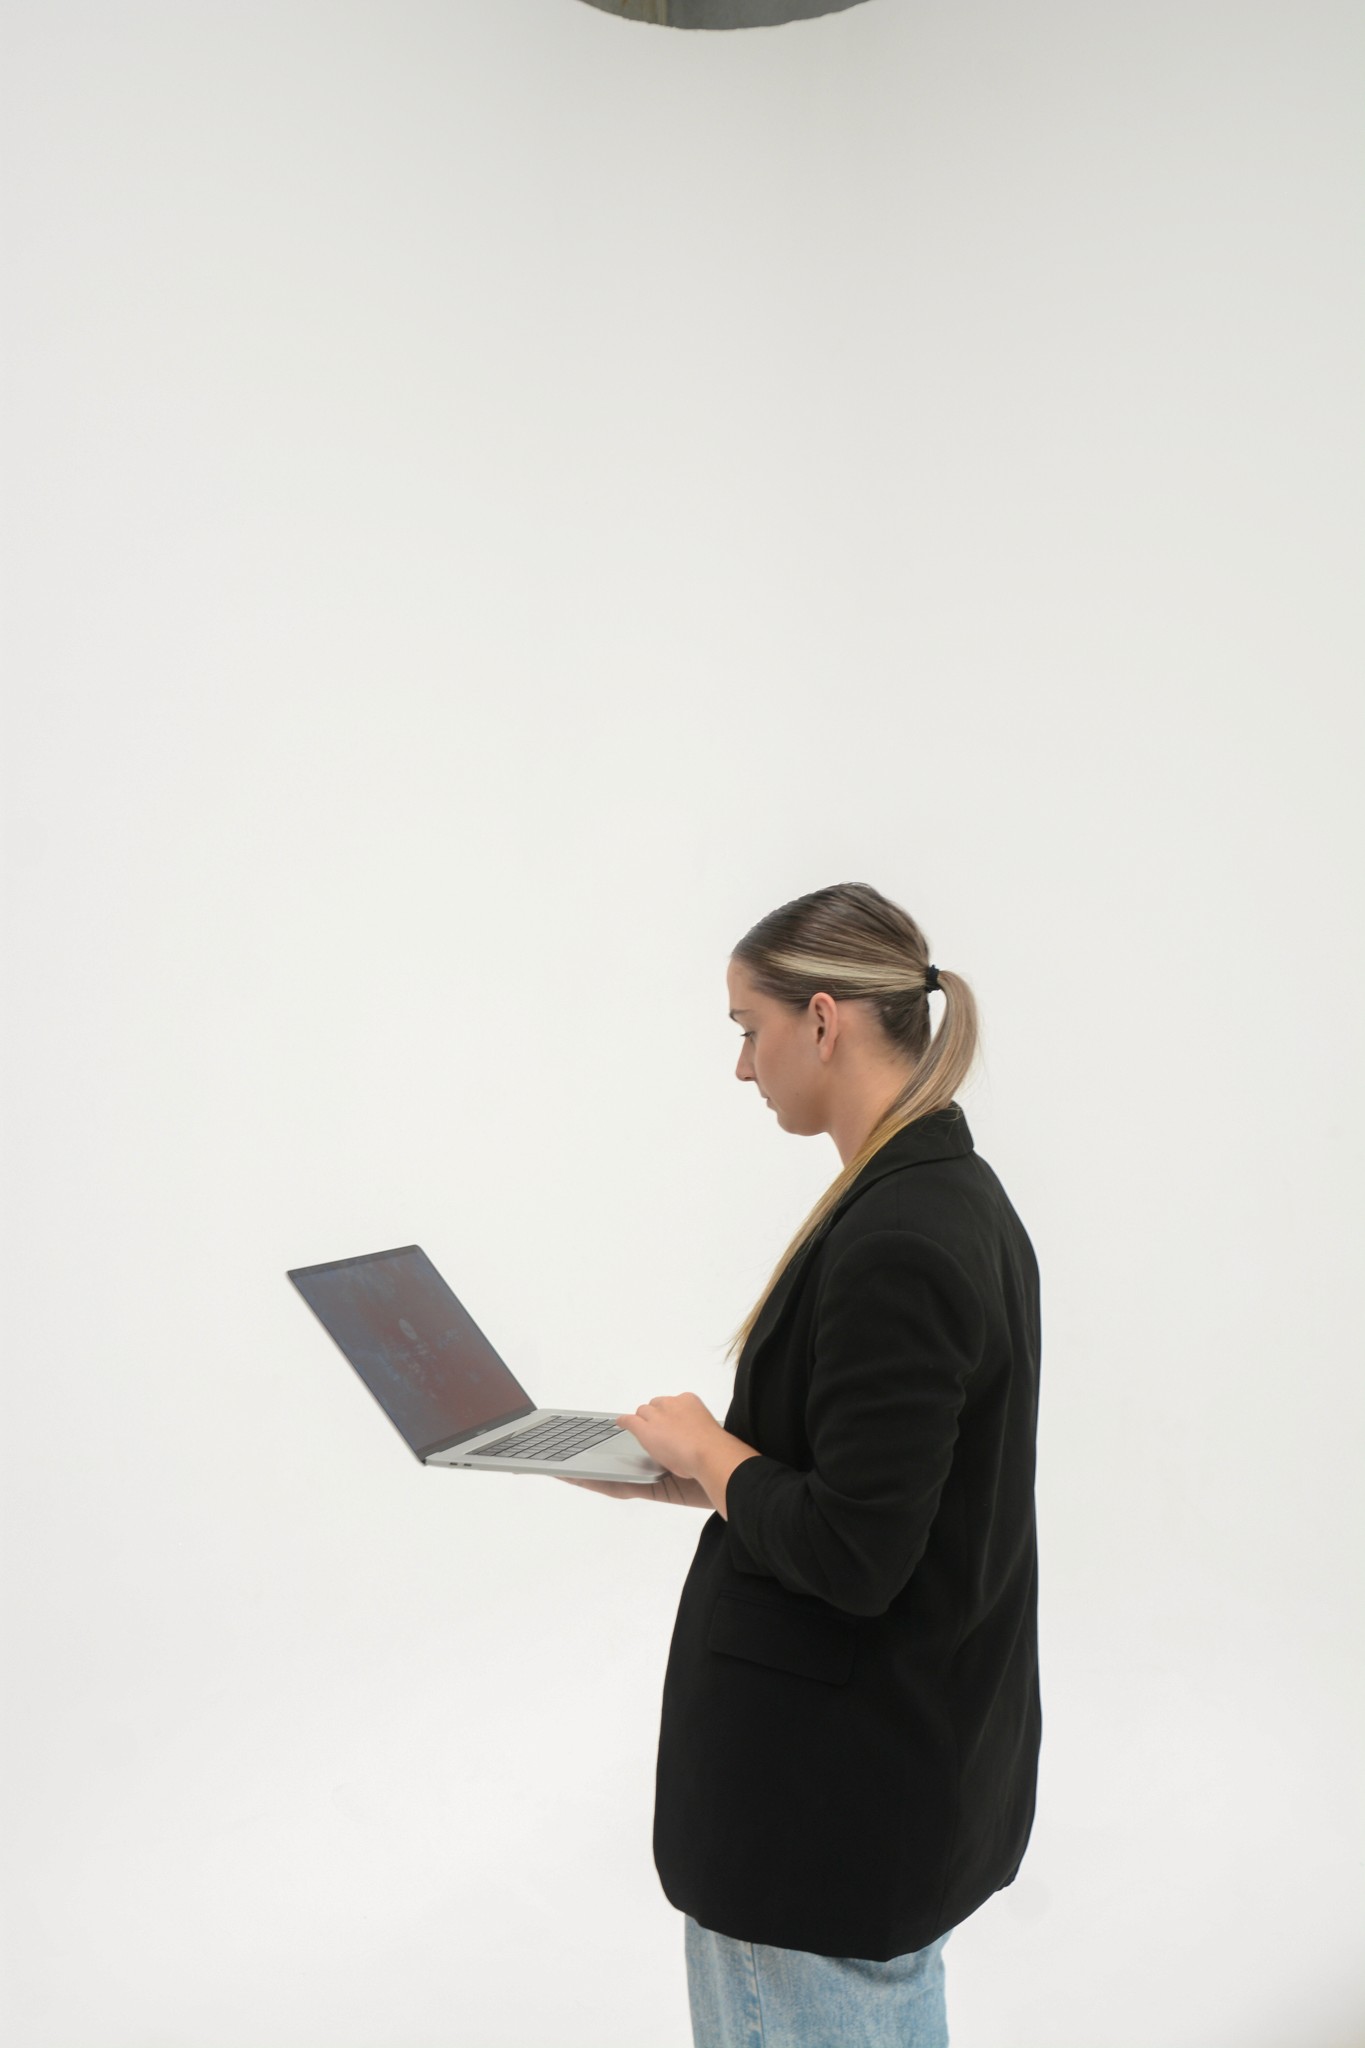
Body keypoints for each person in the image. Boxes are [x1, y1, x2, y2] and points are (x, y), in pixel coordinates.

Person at [557, 881, 1043, 2047]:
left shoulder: (901, 1237)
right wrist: (705, 1479)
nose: (742, 1066)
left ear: (822, 1020)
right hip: (878, 1780)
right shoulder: (946, 1196)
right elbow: (880, 1493)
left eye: (747, 1027)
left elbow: (856, 1551)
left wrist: (717, 1449)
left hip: (822, 1807)